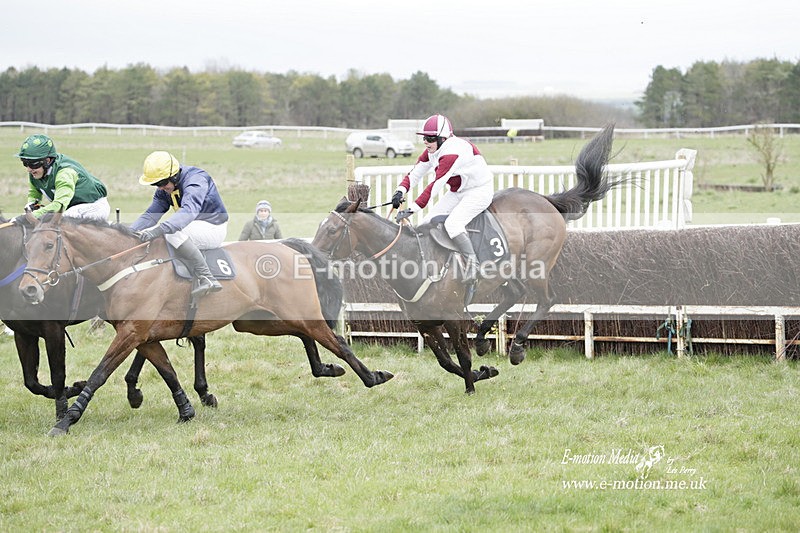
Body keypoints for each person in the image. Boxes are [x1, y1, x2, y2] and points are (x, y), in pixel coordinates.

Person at [393, 114, 494, 305]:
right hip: (459, 191)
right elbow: (414, 174)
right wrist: (399, 191)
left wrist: (411, 209)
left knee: (453, 224)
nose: (426, 142)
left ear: (442, 139)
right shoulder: (432, 150)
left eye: (430, 139)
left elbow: (435, 186)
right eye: (424, 138)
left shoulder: (451, 152)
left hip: (479, 191)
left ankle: (473, 265)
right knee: (427, 223)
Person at [131, 151, 228, 298]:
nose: (160, 188)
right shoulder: (164, 189)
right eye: (155, 184)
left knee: (170, 233)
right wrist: (128, 232)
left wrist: (160, 229)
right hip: (192, 227)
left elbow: (189, 211)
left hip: (213, 227)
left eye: (162, 183)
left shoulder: (196, 180)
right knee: (156, 232)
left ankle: (207, 277)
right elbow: (151, 215)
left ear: (174, 176)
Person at [13, 134, 109, 224]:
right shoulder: (36, 172)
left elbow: (58, 207)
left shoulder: (65, 173)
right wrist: (31, 204)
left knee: (62, 221)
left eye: (33, 164)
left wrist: (27, 217)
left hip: (93, 206)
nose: (28, 169)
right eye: (25, 163)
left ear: (47, 161)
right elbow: (34, 192)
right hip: (71, 207)